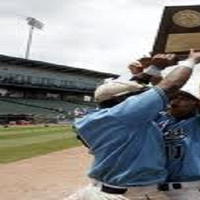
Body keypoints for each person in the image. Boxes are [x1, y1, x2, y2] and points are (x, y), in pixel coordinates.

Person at [65, 49, 200, 200]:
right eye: (137, 96)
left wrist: (151, 69)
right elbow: (169, 87)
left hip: (100, 189)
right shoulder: (127, 115)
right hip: (132, 194)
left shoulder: (97, 118)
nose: (142, 97)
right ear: (122, 101)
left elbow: (135, 94)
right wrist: (191, 60)